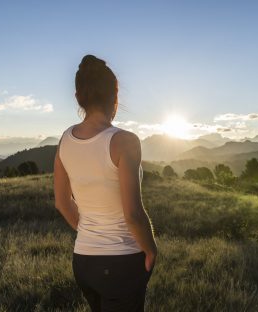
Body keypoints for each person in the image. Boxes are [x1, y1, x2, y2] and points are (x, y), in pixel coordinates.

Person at [53, 54, 158, 312]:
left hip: (84, 262)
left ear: (79, 97)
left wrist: (91, 231)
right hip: (122, 263)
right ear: (115, 97)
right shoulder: (125, 141)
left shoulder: (65, 140)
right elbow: (133, 213)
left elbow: (62, 202)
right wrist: (151, 249)